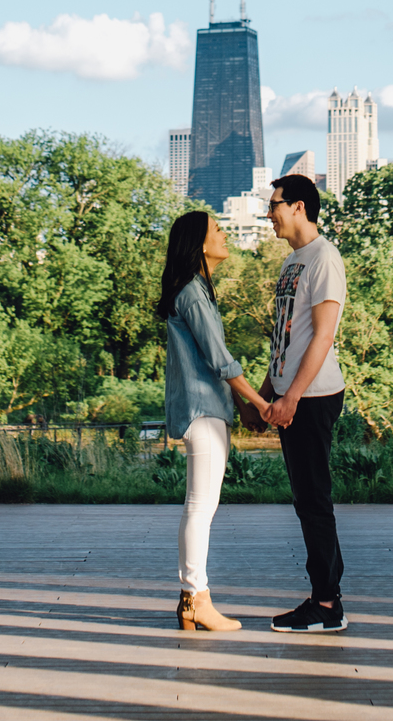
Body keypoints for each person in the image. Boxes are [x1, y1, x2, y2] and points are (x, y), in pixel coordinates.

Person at [157, 208, 269, 631]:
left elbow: (213, 363)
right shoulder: (191, 292)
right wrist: (259, 403)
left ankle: (193, 599)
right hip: (202, 412)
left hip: (208, 408)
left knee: (203, 505)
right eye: (218, 230)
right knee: (200, 506)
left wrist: (241, 407)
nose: (225, 236)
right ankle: (195, 598)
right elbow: (220, 360)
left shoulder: (195, 291)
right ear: (200, 243)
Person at [259, 173, 347, 632]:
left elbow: (325, 335)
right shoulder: (292, 262)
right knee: (304, 499)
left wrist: (291, 396)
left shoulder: (324, 258)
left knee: (314, 500)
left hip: (313, 397)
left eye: (274, 205)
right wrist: (266, 391)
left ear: (298, 207)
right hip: (292, 395)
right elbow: (287, 339)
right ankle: (324, 597)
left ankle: (328, 604)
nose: (269, 214)